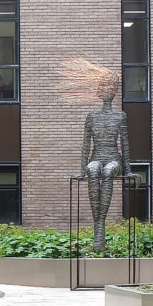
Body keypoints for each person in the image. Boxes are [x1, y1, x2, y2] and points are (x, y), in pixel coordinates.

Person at [62, 59, 133, 252]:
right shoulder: (92, 116)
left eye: (112, 87)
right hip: (96, 157)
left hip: (113, 158)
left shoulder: (120, 116)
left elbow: (124, 144)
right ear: (100, 90)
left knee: (109, 171)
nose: (109, 90)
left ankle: (100, 222)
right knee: (93, 170)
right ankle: (99, 223)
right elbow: (86, 144)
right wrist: (81, 170)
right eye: (105, 86)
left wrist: (128, 170)